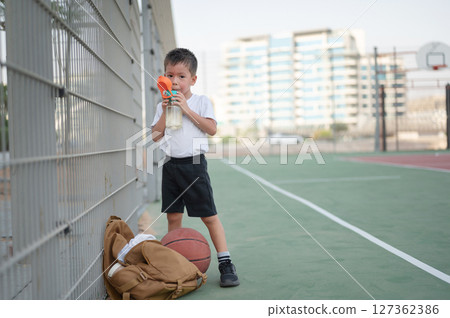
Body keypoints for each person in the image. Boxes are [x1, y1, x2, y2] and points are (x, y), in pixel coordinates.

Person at [151, 48, 239, 287]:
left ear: (193, 79)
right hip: (171, 166)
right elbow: (156, 136)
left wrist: (186, 110)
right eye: (170, 75)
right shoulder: (162, 105)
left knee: (209, 216)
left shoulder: (201, 102)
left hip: (194, 166)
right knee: (173, 216)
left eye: (181, 76)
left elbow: (211, 129)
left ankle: (225, 262)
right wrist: (168, 110)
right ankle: (174, 263)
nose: (175, 81)